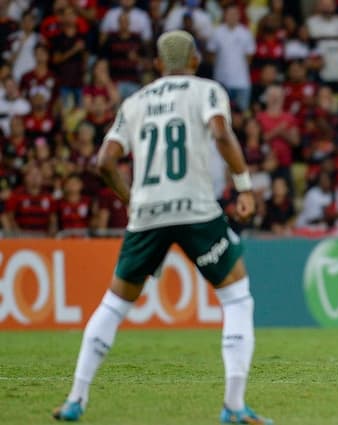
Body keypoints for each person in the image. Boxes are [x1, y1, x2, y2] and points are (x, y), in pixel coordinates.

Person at [52, 31, 273, 424]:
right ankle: (234, 407)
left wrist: (131, 198)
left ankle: (75, 399)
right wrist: (244, 187)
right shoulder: (206, 90)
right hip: (195, 210)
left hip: (148, 213)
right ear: (194, 61)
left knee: (114, 305)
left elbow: (104, 161)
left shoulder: (135, 102)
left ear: (157, 64)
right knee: (237, 297)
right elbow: (221, 133)